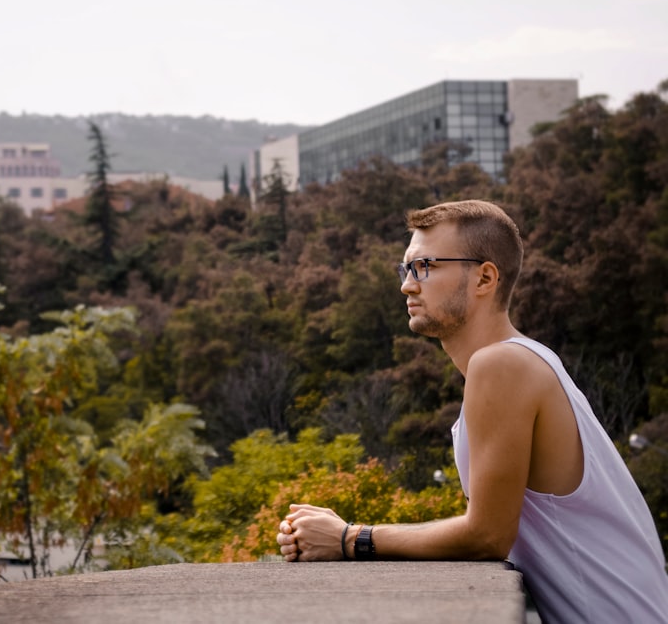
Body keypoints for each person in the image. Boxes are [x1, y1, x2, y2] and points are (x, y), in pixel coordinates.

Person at [276, 199, 668, 623]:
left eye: (424, 266)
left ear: (484, 278)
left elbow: (487, 535)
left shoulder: (503, 364)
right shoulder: (519, 362)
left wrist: (351, 538)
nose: (408, 285)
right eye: (405, 269)